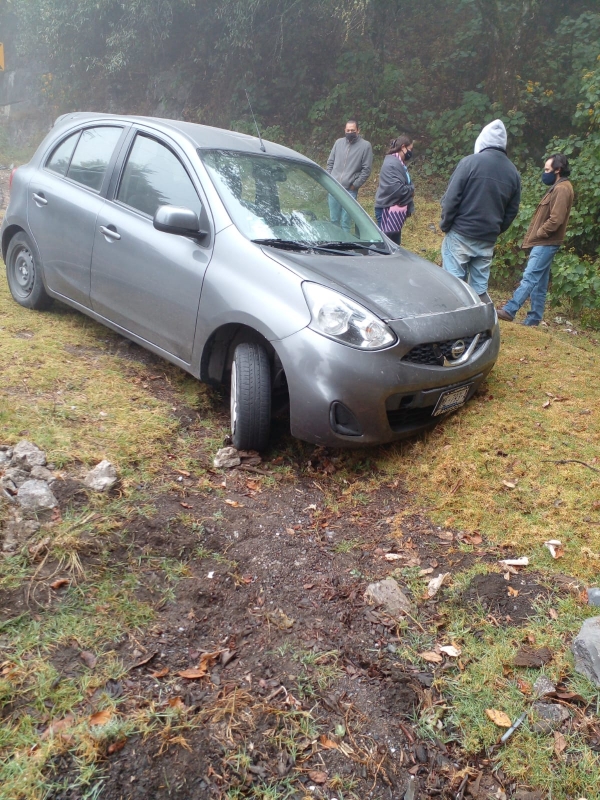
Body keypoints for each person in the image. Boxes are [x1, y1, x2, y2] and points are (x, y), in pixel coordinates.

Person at [440, 119, 521, 300]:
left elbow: (451, 199)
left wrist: (445, 224)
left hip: (461, 234)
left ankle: (456, 325)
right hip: (487, 239)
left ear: (482, 140)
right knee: (479, 291)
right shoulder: (513, 172)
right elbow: (512, 211)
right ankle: (482, 325)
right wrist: (495, 230)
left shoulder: (469, 163)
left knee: (454, 287)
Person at [497, 154, 574, 326]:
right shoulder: (560, 186)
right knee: (540, 282)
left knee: (530, 276)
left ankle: (510, 310)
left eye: (547, 170)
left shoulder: (562, 189)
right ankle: (534, 318)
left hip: (546, 241)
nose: (545, 173)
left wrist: (540, 232)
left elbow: (556, 219)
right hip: (547, 241)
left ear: (558, 169)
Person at [326, 118, 373, 232]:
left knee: (345, 223)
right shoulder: (338, 143)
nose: (350, 132)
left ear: (358, 130)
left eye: (352, 130)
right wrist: (329, 179)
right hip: (334, 188)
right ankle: (334, 244)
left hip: (350, 190)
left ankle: (344, 247)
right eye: (348, 130)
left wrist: (355, 185)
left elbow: (366, 169)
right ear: (344, 130)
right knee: (334, 220)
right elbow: (330, 162)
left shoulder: (365, 146)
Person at [374, 135, 415, 245]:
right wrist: (411, 189)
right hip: (386, 210)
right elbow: (397, 189)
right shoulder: (392, 163)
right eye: (410, 149)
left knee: (394, 244)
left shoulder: (398, 162)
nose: (411, 152)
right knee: (387, 246)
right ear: (403, 147)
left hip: (393, 209)